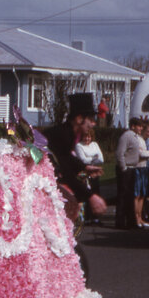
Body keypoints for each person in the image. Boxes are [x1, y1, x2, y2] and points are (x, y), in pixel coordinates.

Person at [46, 93, 107, 222]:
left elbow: (66, 157)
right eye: (90, 119)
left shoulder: (70, 133)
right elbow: (66, 171)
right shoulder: (64, 135)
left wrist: (84, 167)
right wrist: (91, 196)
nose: (93, 124)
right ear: (79, 119)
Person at [115, 117, 145, 229]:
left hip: (132, 168)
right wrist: (124, 168)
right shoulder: (126, 136)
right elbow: (120, 153)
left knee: (130, 196)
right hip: (126, 169)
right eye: (139, 126)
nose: (141, 128)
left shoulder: (135, 137)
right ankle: (120, 222)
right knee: (123, 196)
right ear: (133, 126)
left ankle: (131, 222)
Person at [74, 129, 105, 224]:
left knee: (95, 192)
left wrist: (90, 159)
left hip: (94, 172)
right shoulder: (79, 146)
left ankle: (95, 217)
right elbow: (83, 160)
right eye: (85, 136)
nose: (87, 139)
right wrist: (94, 157)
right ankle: (86, 217)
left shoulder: (95, 144)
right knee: (86, 194)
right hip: (84, 172)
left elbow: (101, 159)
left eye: (89, 137)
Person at [134, 122, 149, 227]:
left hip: (147, 169)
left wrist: (147, 154)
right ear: (143, 130)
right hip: (138, 168)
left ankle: (141, 218)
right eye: (147, 131)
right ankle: (136, 219)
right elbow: (140, 154)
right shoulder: (137, 139)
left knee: (143, 195)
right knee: (137, 194)